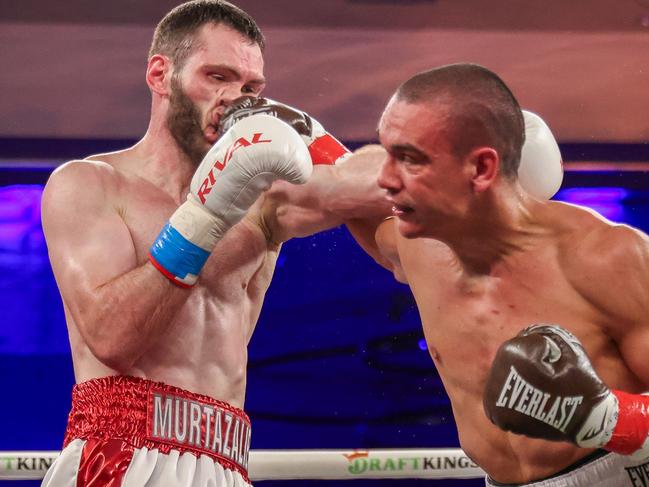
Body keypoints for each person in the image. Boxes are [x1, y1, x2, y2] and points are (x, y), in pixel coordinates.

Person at [39, 1, 389, 486]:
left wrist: (314, 136)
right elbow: (112, 338)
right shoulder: (90, 185)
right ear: (161, 74)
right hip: (122, 454)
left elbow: (381, 189)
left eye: (250, 88)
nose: (235, 99)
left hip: (225, 460)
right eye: (217, 77)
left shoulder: (265, 200)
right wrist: (206, 215)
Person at [353, 62, 649, 486]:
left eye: (410, 159)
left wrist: (607, 418)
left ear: (481, 169)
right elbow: (351, 203)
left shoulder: (605, 258)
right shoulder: (417, 247)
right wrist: (297, 133)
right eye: (388, 154)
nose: (384, 179)